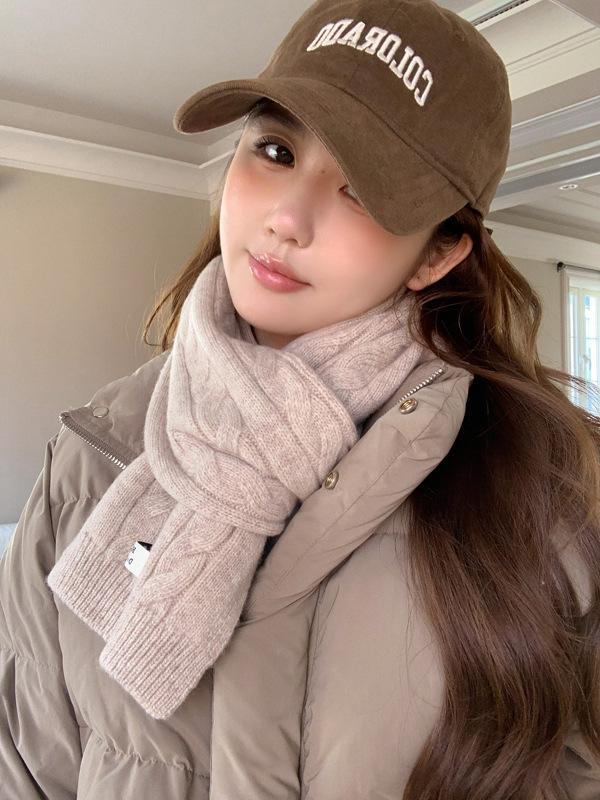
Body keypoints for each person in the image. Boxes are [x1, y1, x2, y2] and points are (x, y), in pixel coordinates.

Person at [2, 0, 600, 797]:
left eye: (365, 190)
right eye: (276, 150)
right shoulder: (95, 449)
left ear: (437, 255)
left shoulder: (552, 490)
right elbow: (24, 757)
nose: (287, 218)